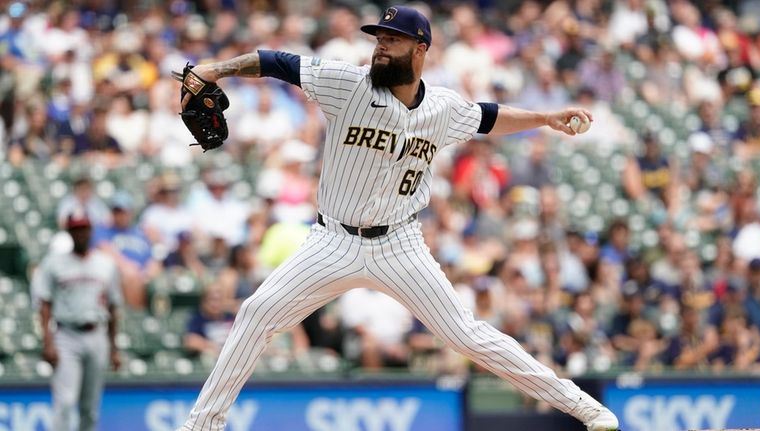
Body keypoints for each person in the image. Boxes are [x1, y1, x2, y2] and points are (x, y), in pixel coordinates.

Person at [176, 6, 618, 431]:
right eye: (379, 39)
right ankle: (200, 426)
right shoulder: (348, 83)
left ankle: (581, 406)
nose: (380, 47)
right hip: (333, 241)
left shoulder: (441, 108)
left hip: (399, 245)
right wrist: (215, 70)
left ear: (420, 49)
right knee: (256, 312)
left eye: (392, 40)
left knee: (468, 335)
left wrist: (544, 118)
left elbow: (488, 116)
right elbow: (277, 62)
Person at [31, 210, 122, 431]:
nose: (80, 233)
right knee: (65, 402)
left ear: (91, 230)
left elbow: (114, 308)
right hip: (66, 335)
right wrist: (48, 342)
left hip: (97, 334)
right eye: (76, 229)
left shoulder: (106, 264)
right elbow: (44, 304)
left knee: (90, 407)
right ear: (69, 232)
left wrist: (114, 348)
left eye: (84, 228)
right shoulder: (54, 263)